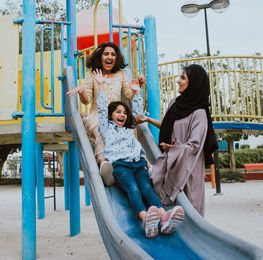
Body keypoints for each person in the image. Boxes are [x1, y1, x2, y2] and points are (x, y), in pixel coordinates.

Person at [94, 68, 184, 238]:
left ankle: (164, 217)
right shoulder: (106, 128)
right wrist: (100, 87)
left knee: (147, 189)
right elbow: (101, 110)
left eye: (124, 113)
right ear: (111, 115)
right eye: (117, 112)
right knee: (134, 190)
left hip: (139, 163)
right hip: (121, 166)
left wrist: (137, 92)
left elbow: (138, 112)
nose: (122, 115)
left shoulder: (129, 129)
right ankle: (145, 219)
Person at [138, 64, 218, 217]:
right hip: (170, 161)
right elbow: (168, 125)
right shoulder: (175, 103)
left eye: (183, 78)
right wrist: (148, 119)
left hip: (189, 166)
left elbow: (194, 146)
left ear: (193, 83)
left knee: (189, 208)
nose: (178, 81)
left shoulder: (199, 113)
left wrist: (175, 148)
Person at [67, 42, 145, 186]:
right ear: (100, 57)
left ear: (116, 58)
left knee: (131, 132)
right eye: (106, 54)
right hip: (97, 114)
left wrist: (138, 85)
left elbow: (129, 93)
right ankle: (104, 164)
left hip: (116, 116)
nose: (110, 57)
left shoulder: (120, 74)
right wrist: (82, 91)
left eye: (113, 55)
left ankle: (143, 164)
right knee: (101, 133)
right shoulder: (92, 74)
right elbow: (86, 100)